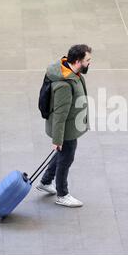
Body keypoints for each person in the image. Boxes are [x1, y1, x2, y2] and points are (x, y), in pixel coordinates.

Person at [36, 44, 92, 208]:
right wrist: (57, 139)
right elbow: (60, 115)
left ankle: (46, 181)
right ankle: (62, 194)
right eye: (87, 60)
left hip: (69, 127)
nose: (90, 63)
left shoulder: (71, 72)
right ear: (76, 61)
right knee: (66, 159)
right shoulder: (64, 85)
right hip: (65, 130)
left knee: (61, 155)